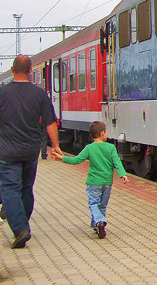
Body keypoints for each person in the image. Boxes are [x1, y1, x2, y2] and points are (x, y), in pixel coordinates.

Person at [0, 55, 61, 249]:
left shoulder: (2, 93)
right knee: (26, 189)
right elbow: (50, 122)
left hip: (7, 151)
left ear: (12, 69)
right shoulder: (39, 94)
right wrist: (56, 146)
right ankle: (21, 223)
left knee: (10, 189)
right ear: (29, 71)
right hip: (30, 151)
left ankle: (20, 228)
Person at [52, 121, 128, 239]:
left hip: (93, 182)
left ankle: (99, 221)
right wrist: (122, 174)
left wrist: (61, 158)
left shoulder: (89, 148)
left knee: (94, 204)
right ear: (102, 133)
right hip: (107, 183)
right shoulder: (111, 147)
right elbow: (117, 162)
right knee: (102, 205)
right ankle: (96, 224)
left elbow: (76, 160)